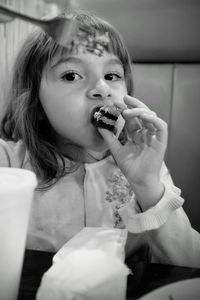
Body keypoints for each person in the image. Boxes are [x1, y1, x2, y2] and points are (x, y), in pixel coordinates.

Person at [0, 11, 199, 267]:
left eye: (112, 76)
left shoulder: (146, 165)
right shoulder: (10, 164)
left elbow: (189, 263)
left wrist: (148, 187)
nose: (102, 89)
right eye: (71, 75)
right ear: (36, 104)